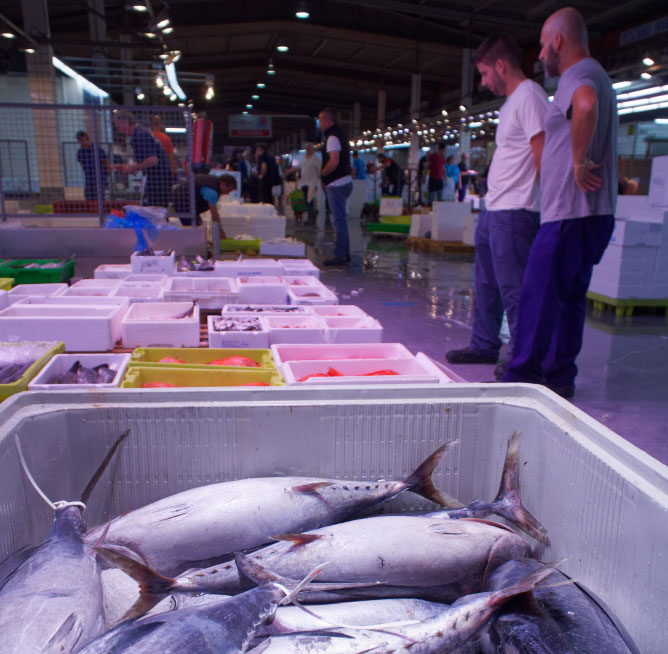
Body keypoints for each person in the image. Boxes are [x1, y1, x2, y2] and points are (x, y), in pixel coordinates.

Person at [501, 7, 617, 398]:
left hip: (568, 213)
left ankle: (521, 379)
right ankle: (559, 374)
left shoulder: (577, 75)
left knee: (538, 295)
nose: (539, 56)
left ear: (557, 41)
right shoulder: (600, 74)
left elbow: (584, 105)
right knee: (569, 298)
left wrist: (578, 162)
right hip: (592, 215)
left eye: (541, 45)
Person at [446, 34, 549, 379]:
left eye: (485, 73)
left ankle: (523, 360)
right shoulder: (510, 104)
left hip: (517, 211)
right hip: (495, 208)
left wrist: (546, 208)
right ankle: (484, 343)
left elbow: (543, 154)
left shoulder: (531, 97)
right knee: (487, 284)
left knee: (515, 289)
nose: (484, 82)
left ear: (501, 65)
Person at [112, 111, 173, 207]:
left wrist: (133, 168)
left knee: (155, 210)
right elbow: (146, 159)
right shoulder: (141, 132)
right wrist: (127, 166)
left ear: (126, 122)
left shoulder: (140, 135)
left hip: (158, 180)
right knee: (157, 210)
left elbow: (152, 160)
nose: (119, 131)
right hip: (159, 177)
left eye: (119, 127)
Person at [318, 107, 353, 266]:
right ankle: (344, 253)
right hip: (345, 181)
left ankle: (340, 255)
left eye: (320, 121)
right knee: (341, 220)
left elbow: (334, 161)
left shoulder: (332, 137)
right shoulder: (341, 134)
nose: (319, 125)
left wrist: (323, 174)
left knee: (338, 220)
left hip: (337, 184)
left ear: (326, 120)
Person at [172, 173, 237, 231]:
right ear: (223, 184)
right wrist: (220, 232)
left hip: (184, 202)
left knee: (198, 227)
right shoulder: (213, 191)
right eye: (228, 190)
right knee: (194, 231)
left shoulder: (211, 181)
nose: (227, 193)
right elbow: (214, 213)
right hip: (183, 204)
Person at [75, 130, 109, 202]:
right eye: (80, 141)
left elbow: (106, 163)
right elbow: (82, 164)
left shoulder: (98, 149)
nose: (82, 143)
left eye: (83, 141)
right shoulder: (80, 151)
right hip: (89, 178)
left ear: (88, 139)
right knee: (88, 196)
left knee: (99, 197)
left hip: (100, 177)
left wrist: (106, 177)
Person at [301, 142, 322, 225]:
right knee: (307, 202)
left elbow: (320, 171)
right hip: (304, 183)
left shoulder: (316, 159)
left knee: (310, 202)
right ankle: (310, 217)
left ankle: (311, 219)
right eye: (306, 148)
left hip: (313, 183)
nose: (307, 150)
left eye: (309, 148)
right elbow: (299, 168)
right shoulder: (303, 158)